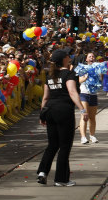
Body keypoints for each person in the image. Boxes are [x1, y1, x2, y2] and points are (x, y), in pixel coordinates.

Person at [36, 49, 88, 187]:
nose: (69, 57)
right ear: (64, 59)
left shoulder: (50, 75)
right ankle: (61, 179)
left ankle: (42, 171)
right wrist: (82, 109)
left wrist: (42, 114)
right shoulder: (69, 74)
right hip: (64, 111)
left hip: (50, 110)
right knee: (65, 146)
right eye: (67, 56)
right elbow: (72, 92)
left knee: (53, 144)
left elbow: (45, 97)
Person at [77, 52, 99, 144]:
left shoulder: (97, 68)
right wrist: (85, 77)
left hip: (93, 94)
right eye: (89, 56)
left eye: (93, 56)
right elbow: (79, 80)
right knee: (84, 115)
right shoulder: (82, 67)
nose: (92, 58)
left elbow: (100, 79)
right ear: (86, 59)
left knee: (92, 117)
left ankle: (92, 135)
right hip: (84, 93)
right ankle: (83, 137)